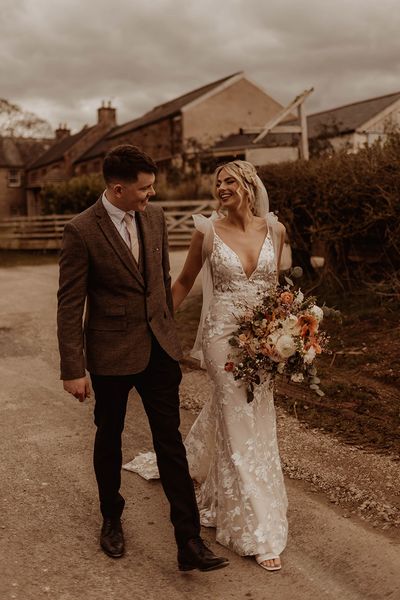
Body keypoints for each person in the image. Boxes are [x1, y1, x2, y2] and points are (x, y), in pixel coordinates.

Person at [57, 144, 229, 572]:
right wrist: (73, 369)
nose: (151, 195)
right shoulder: (81, 231)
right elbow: (69, 303)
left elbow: (164, 281)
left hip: (158, 351)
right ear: (117, 189)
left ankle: (188, 541)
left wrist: (172, 338)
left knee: (170, 442)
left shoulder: (154, 218)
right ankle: (111, 517)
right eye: (145, 189)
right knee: (109, 437)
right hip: (110, 353)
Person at [125, 160, 288, 571]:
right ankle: (256, 528)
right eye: (217, 183)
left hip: (265, 341)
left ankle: (216, 483)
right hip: (222, 339)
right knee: (237, 418)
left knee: (258, 417)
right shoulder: (207, 232)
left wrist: (289, 332)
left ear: (249, 184)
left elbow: (277, 289)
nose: (221, 188)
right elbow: (182, 282)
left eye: (229, 181)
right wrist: (157, 329)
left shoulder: (277, 230)